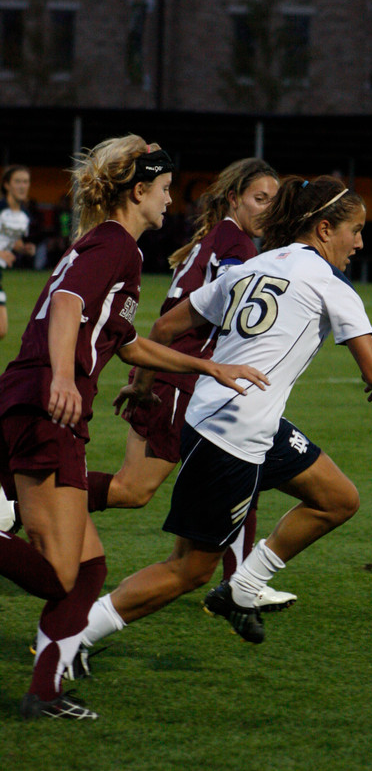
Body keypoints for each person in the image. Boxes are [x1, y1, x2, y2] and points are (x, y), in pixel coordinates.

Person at [73, 175, 372, 698]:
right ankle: (72, 636)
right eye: (355, 231)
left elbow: (165, 326)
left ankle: (244, 586)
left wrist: (145, 386)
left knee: (337, 499)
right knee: (188, 570)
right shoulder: (332, 287)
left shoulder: (255, 266)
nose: (359, 243)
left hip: (232, 420)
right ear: (325, 227)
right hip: (233, 436)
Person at [0, 134, 269, 721]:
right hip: (49, 406)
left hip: (39, 402)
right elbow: (68, 303)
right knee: (59, 574)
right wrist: (66, 378)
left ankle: (43, 694)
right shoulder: (116, 244)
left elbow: (127, 345)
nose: (171, 201)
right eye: (165, 190)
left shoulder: (116, 248)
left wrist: (208, 365)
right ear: (139, 191)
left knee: (90, 569)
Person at [84, 157, 289, 599]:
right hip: (184, 385)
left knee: (242, 476)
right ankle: (22, 498)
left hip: (179, 380)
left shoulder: (217, 238)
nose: (268, 209)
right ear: (234, 198)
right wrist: (145, 382)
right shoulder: (237, 250)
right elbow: (176, 325)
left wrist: (143, 378)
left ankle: (238, 585)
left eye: (275, 201)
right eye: (260, 198)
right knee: (132, 489)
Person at [0, 165, 37, 339]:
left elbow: (13, 240)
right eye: (17, 181)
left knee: (1, 330)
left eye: (26, 182)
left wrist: (24, 248)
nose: (22, 186)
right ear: (7, 185)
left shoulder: (24, 216)